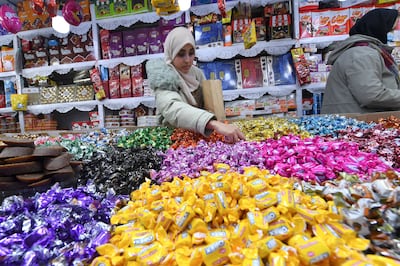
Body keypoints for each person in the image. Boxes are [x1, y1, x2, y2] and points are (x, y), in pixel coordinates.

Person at [145, 27, 245, 143]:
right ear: (171, 53)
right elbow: (173, 109)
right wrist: (212, 123)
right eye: (181, 54)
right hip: (173, 140)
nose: (187, 60)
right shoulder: (163, 77)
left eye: (191, 53)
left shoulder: (197, 74)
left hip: (198, 136)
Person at [321, 8, 400, 114]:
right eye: (391, 31)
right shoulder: (362, 55)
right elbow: (371, 95)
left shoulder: (368, 51)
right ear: (379, 30)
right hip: (353, 124)